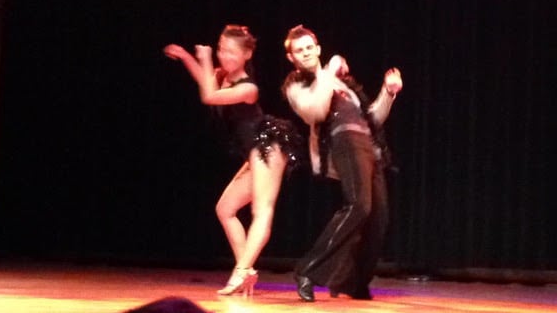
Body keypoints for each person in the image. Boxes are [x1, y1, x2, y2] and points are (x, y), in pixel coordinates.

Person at [163, 25, 302, 297]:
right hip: (254, 152)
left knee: (262, 210)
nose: (224, 56)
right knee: (225, 208)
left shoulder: (248, 87)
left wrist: (203, 59)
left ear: (247, 54)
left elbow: (209, 96)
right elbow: (206, 81)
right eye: (221, 50)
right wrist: (186, 57)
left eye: (231, 52)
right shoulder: (222, 76)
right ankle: (246, 270)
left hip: (269, 146)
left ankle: (241, 272)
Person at [281, 25, 403, 302]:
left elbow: (371, 118)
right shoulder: (296, 85)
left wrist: (388, 92)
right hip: (342, 140)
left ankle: (353, 282)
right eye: (299, 50)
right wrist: (329, 71)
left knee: (378, 217)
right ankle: (307, 270)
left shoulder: (342, 82)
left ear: (318, 48)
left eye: (309, 47)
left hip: (368, 146)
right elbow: (315, 110)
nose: (306, 53)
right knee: (359, 205)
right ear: (292, 58)